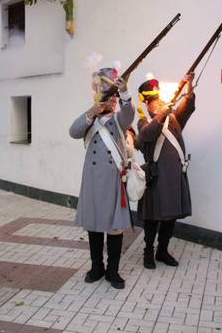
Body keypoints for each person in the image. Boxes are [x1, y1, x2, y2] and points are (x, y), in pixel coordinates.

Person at [69, 68, 135, 289]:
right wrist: (90, 113)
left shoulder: (119, 120)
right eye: (111, 98)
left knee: (115, 228)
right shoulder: (90, 118)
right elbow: (73, 131)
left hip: (113, 181)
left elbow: (129, 114)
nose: (114, 102)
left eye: (116, 98)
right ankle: (96, 267)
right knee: (94, 226)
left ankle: (112, 271)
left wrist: (125, 92)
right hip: (92, 180)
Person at [136, 74, 195, 269]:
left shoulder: (174, 119)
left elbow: (187, 108)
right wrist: (162, 115)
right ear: (148, 107)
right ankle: (148, 253)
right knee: (152, 219)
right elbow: (147, 134)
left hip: (175, 177)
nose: (160, 104)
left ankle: (162, 251)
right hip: (157, 178)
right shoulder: (143, 122)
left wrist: (188, 86)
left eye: (161, 101)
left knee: (170, 218)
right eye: (156, 103)